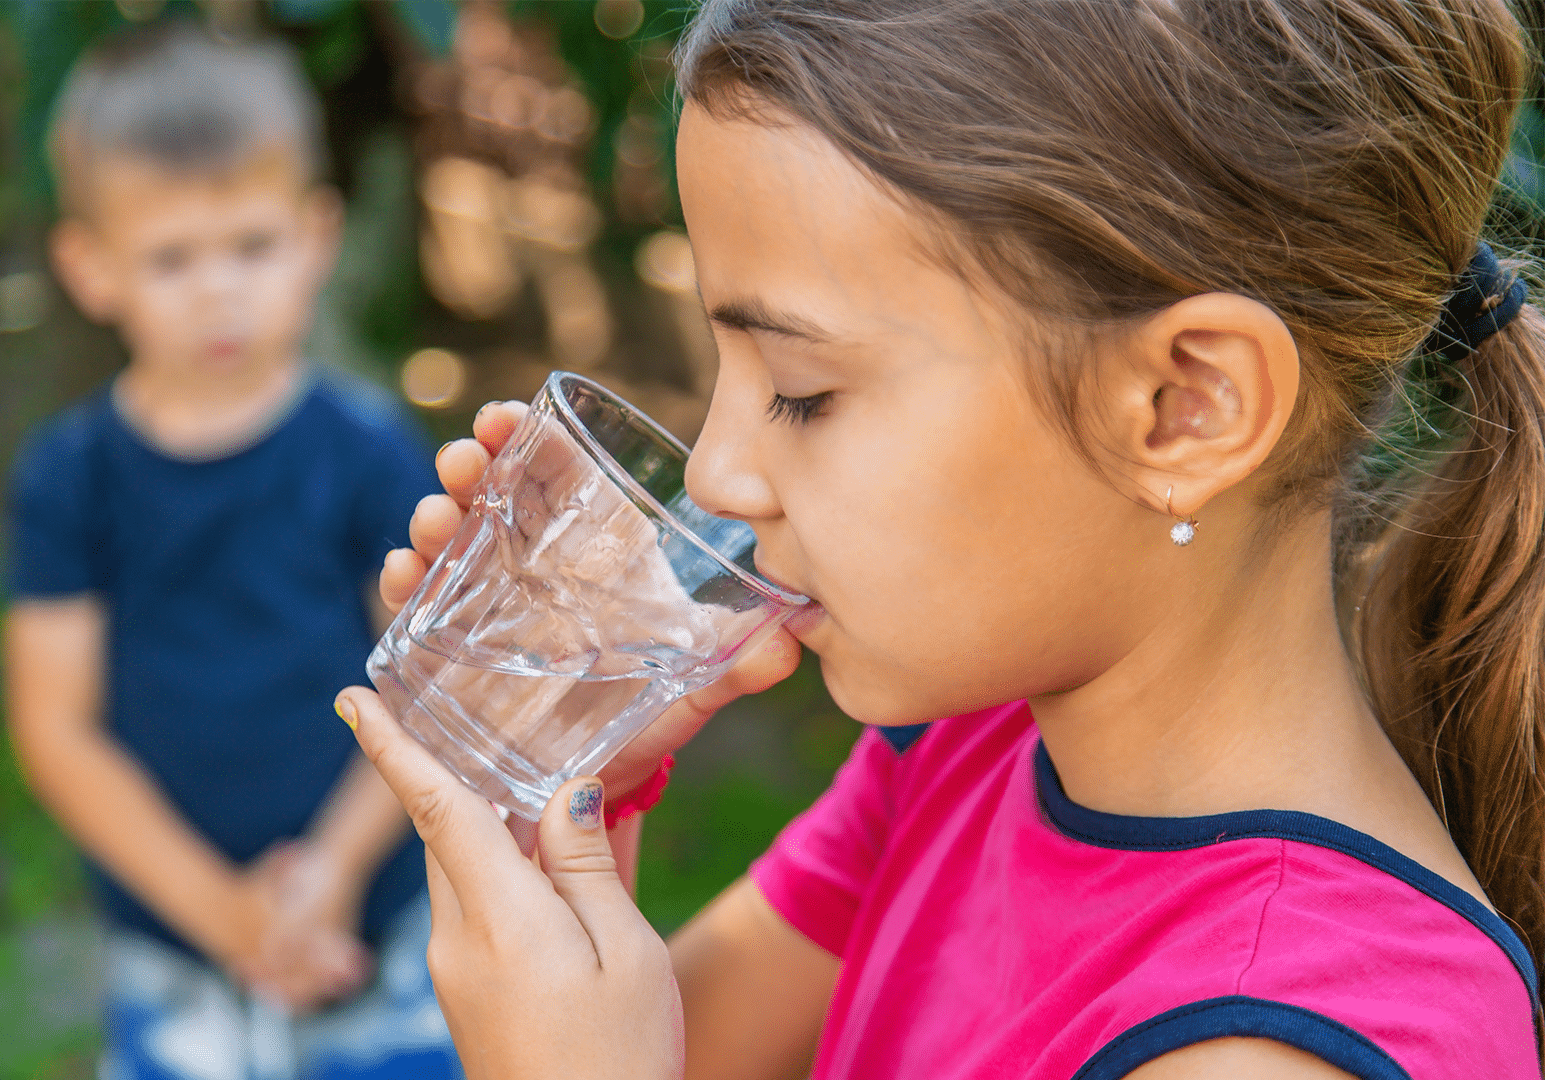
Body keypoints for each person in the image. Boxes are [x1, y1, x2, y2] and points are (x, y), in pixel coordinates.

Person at [335, 1, 1545, 1077]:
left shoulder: (1282, 1042)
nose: (715, 473)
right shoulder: (966, 744)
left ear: (1187, 407)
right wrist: (550, 805)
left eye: (803, 389)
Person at [2, 22, 457, 1080]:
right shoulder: (70, 478)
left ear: (316, 236)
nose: (219, 289)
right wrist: (226, 916)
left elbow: (430, 686)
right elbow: (55, 729)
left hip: (371, 926)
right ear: (89, 266)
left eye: (251, 246)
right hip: (174, 954)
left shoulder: (366, 456)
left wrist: (330, 876)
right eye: (171, 258)